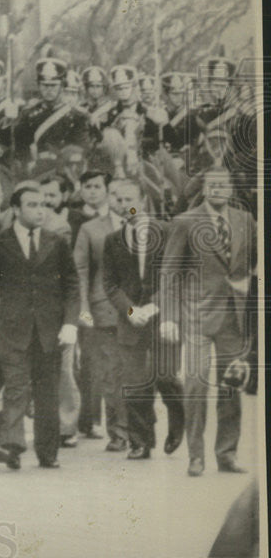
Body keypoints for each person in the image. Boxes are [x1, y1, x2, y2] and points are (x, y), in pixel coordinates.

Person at [0, 183, 79, 470]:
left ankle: (48, 452)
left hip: (50, 330)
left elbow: (72, 285)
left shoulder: (56, 241)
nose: (39, 210)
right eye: (32, 205)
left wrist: (71, 323)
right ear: (16, 210)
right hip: (12, 328)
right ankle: (11, 445)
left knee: (47, 392)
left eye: (43, 205)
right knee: (15, 386)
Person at [159, 167, 255, 476]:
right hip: (195, 315)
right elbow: (170, 272)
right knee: (196, 385)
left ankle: (226, 454)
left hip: (233, 317)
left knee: (231, 388)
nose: (217, 190)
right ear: (204, 189)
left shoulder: (245, 221)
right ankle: (196, 456)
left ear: (231, 189)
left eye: (223, 185)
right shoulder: (186, 222)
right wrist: (170, 317)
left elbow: (251, 264)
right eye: (212, 185)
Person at [102, 179, 185, 459]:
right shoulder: (112, 241)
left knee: (165, 377)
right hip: (131, 321)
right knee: (135, 383)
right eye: (119, 200)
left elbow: (177, 277)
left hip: (164, 318)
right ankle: (141, 442)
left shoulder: (168, 232)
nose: (124, 205)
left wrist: (153, 308)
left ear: (143, 200)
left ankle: (177, 418)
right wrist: (129, 311)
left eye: (129, 199)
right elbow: (110, 285)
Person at [73, 175, 128, 451]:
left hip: (138, 308)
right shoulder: (90, 229)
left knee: (136, 370)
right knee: (110, 371)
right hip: (103, 307)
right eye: (116, 195)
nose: (120, 201)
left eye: (126, 197)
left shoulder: (141, 224)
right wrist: (83, 308)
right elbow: (80, 271)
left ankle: (139, 428)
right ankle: (118, 432)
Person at [38, 173, 81, 447]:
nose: (44, 202)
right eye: (40, 197)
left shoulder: (62, 226)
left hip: (61, 302)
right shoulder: (17, 219)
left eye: (51, 196)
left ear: (62, 196)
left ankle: (68, 426)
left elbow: (71, 275)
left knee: (64, 369)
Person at [13, 56, 93, 161]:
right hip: (35, 173)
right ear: (38, 85)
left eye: (53, 85)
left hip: (66, 171)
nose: (49, 90)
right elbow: (20, 150)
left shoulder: (78, 116)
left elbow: (81, 150)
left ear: (62, 86)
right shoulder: (28, 114)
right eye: (45, 85)